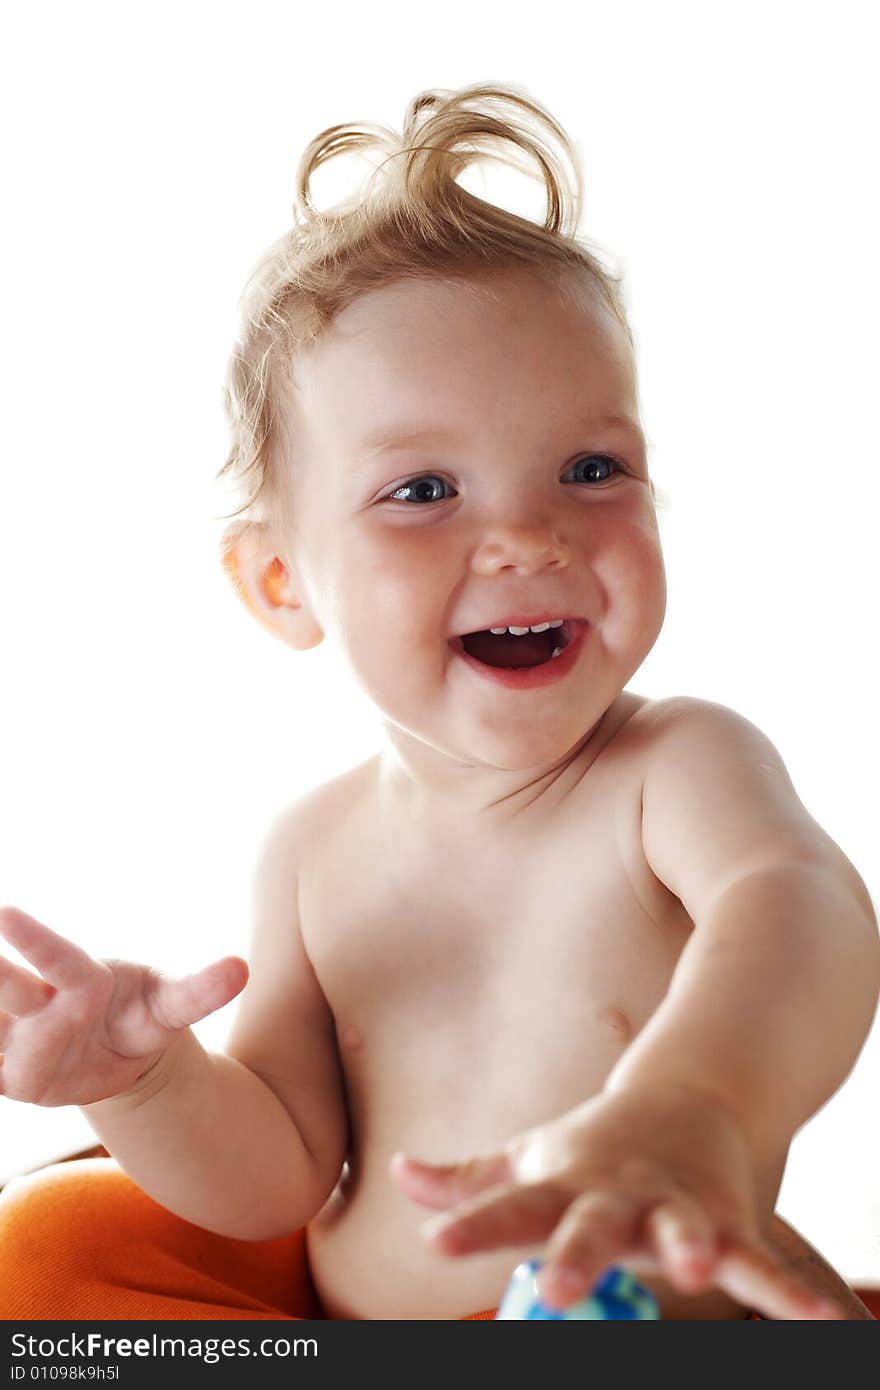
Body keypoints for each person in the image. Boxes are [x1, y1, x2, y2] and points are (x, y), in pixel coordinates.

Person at [1, 83, 878, 1323]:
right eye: (422, 490)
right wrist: (138, 1087)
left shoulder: (676, 769)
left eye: (590, 468)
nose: (527, 534)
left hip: (601, 1318)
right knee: (50, 1247)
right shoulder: (313, 851)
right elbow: (278, 1179)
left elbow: (806, 918)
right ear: (279, 582)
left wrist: (697, 1108)